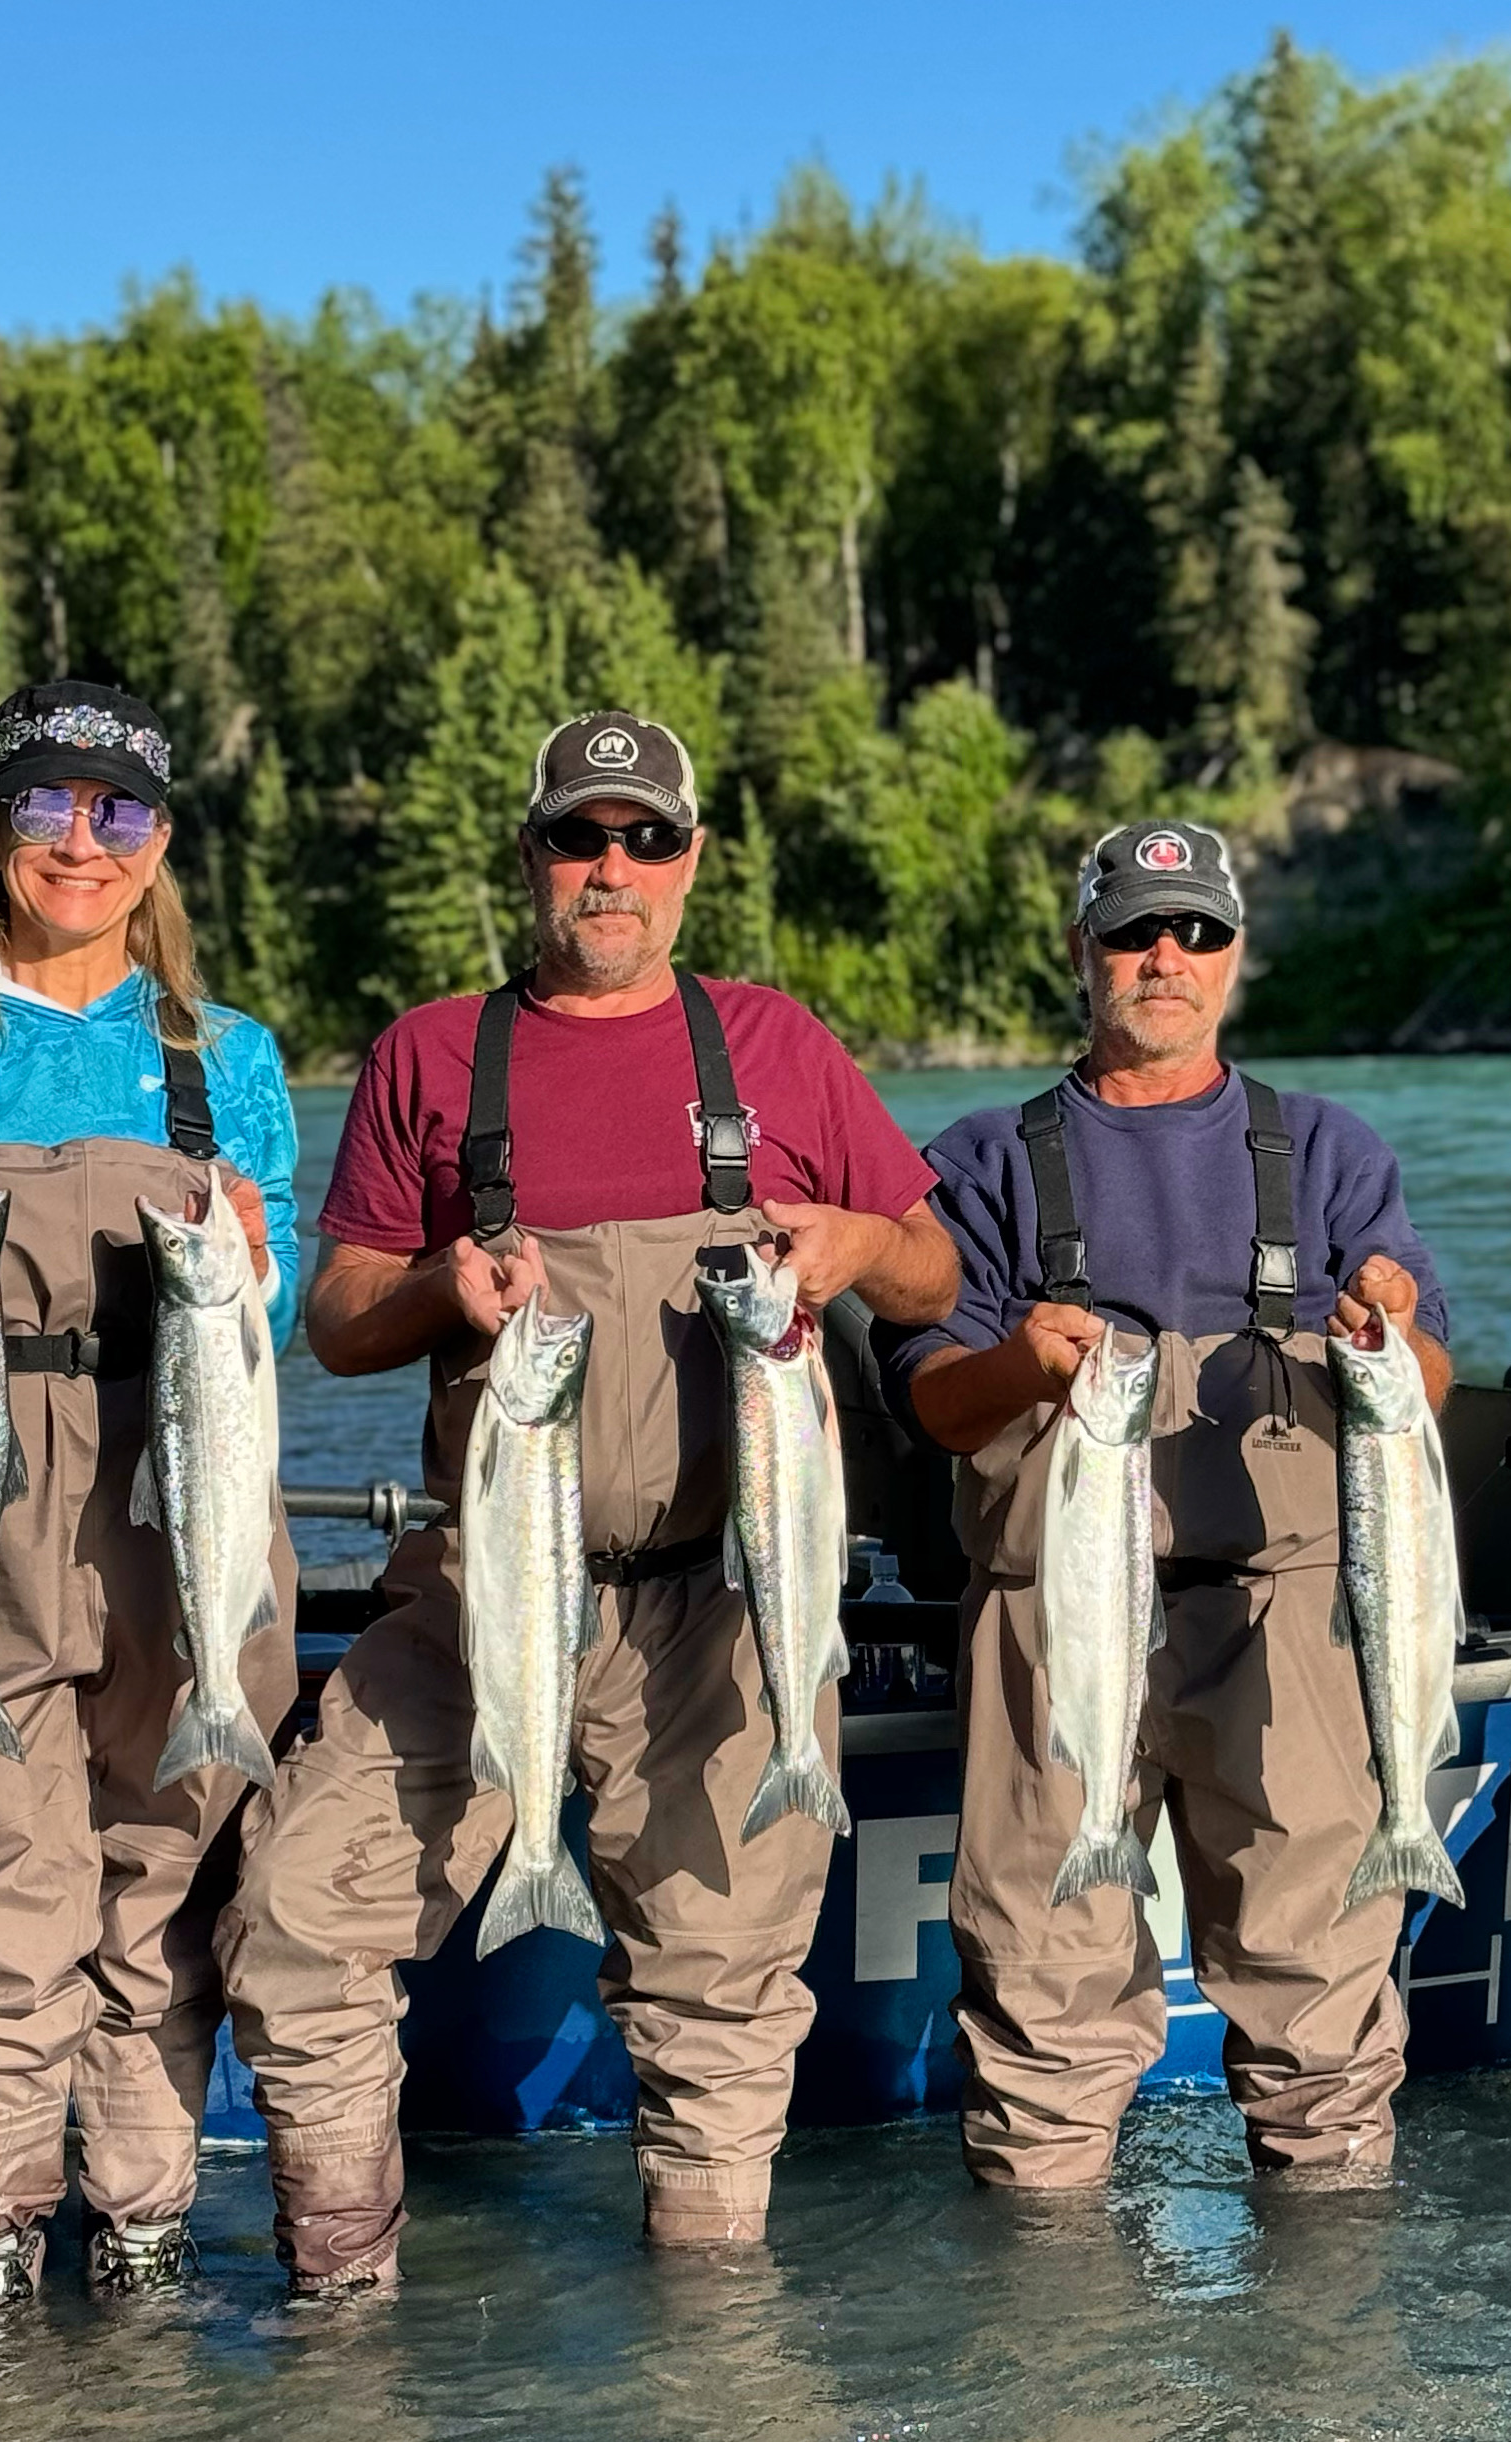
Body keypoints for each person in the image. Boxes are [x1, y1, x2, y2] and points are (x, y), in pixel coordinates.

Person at [219, 709, 957, 2292]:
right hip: (478, 1594)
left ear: (690, 861)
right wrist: (439, 1286)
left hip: (725, 1605)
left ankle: (710, 2329)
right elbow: (336, 1316)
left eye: (643, 838)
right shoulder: (430, 1052)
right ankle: (336, 2304)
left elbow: (933, 1270)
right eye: (578, 837)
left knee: (719, 1997)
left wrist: (851, 1242)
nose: (609, 868)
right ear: (530, 857)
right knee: (294, 1913)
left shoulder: (776, 1043)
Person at [0, 681, 303, 2331]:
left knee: (164, 1874)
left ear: (160, 843)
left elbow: (276, 1306)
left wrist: (252, 1255)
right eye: (46, 805)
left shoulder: (226, 1054)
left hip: (186, 1474)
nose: (81, 844)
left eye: (120, 811)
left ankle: (147, 2229)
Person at [884, 821, 1453, 2189]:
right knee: (1041, 2011)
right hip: (1054, 1619)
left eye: (1196, 930)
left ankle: (1327, 2288)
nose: (1165, 956)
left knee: (1322, 2019)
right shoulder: (982, 1159)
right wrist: (1025, 1365)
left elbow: (1428, 1383)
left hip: (1289, 1624)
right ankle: (1051, 2292)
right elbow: (933, 1403)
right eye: (1135, 930)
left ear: (1235, 954)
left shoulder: (1326, 1149)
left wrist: (1389, 1333)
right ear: (1081, 948)